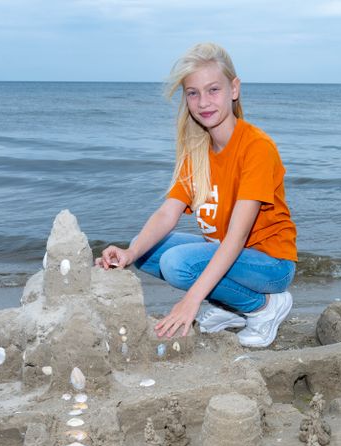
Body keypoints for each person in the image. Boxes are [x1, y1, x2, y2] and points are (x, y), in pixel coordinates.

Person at [95, 42, 297, 348]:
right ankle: (232, 306)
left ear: (234, 89)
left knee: (178, 263)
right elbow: (167, 213)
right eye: (193, 93)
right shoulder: (197, 151)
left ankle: (264, 307)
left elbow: (236, 238)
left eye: (213, 89)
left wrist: (191, 301)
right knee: (145, 251)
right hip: (232, 256)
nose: (203, 102)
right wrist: (128, 253)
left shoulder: (256, 147)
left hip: (271, 264)